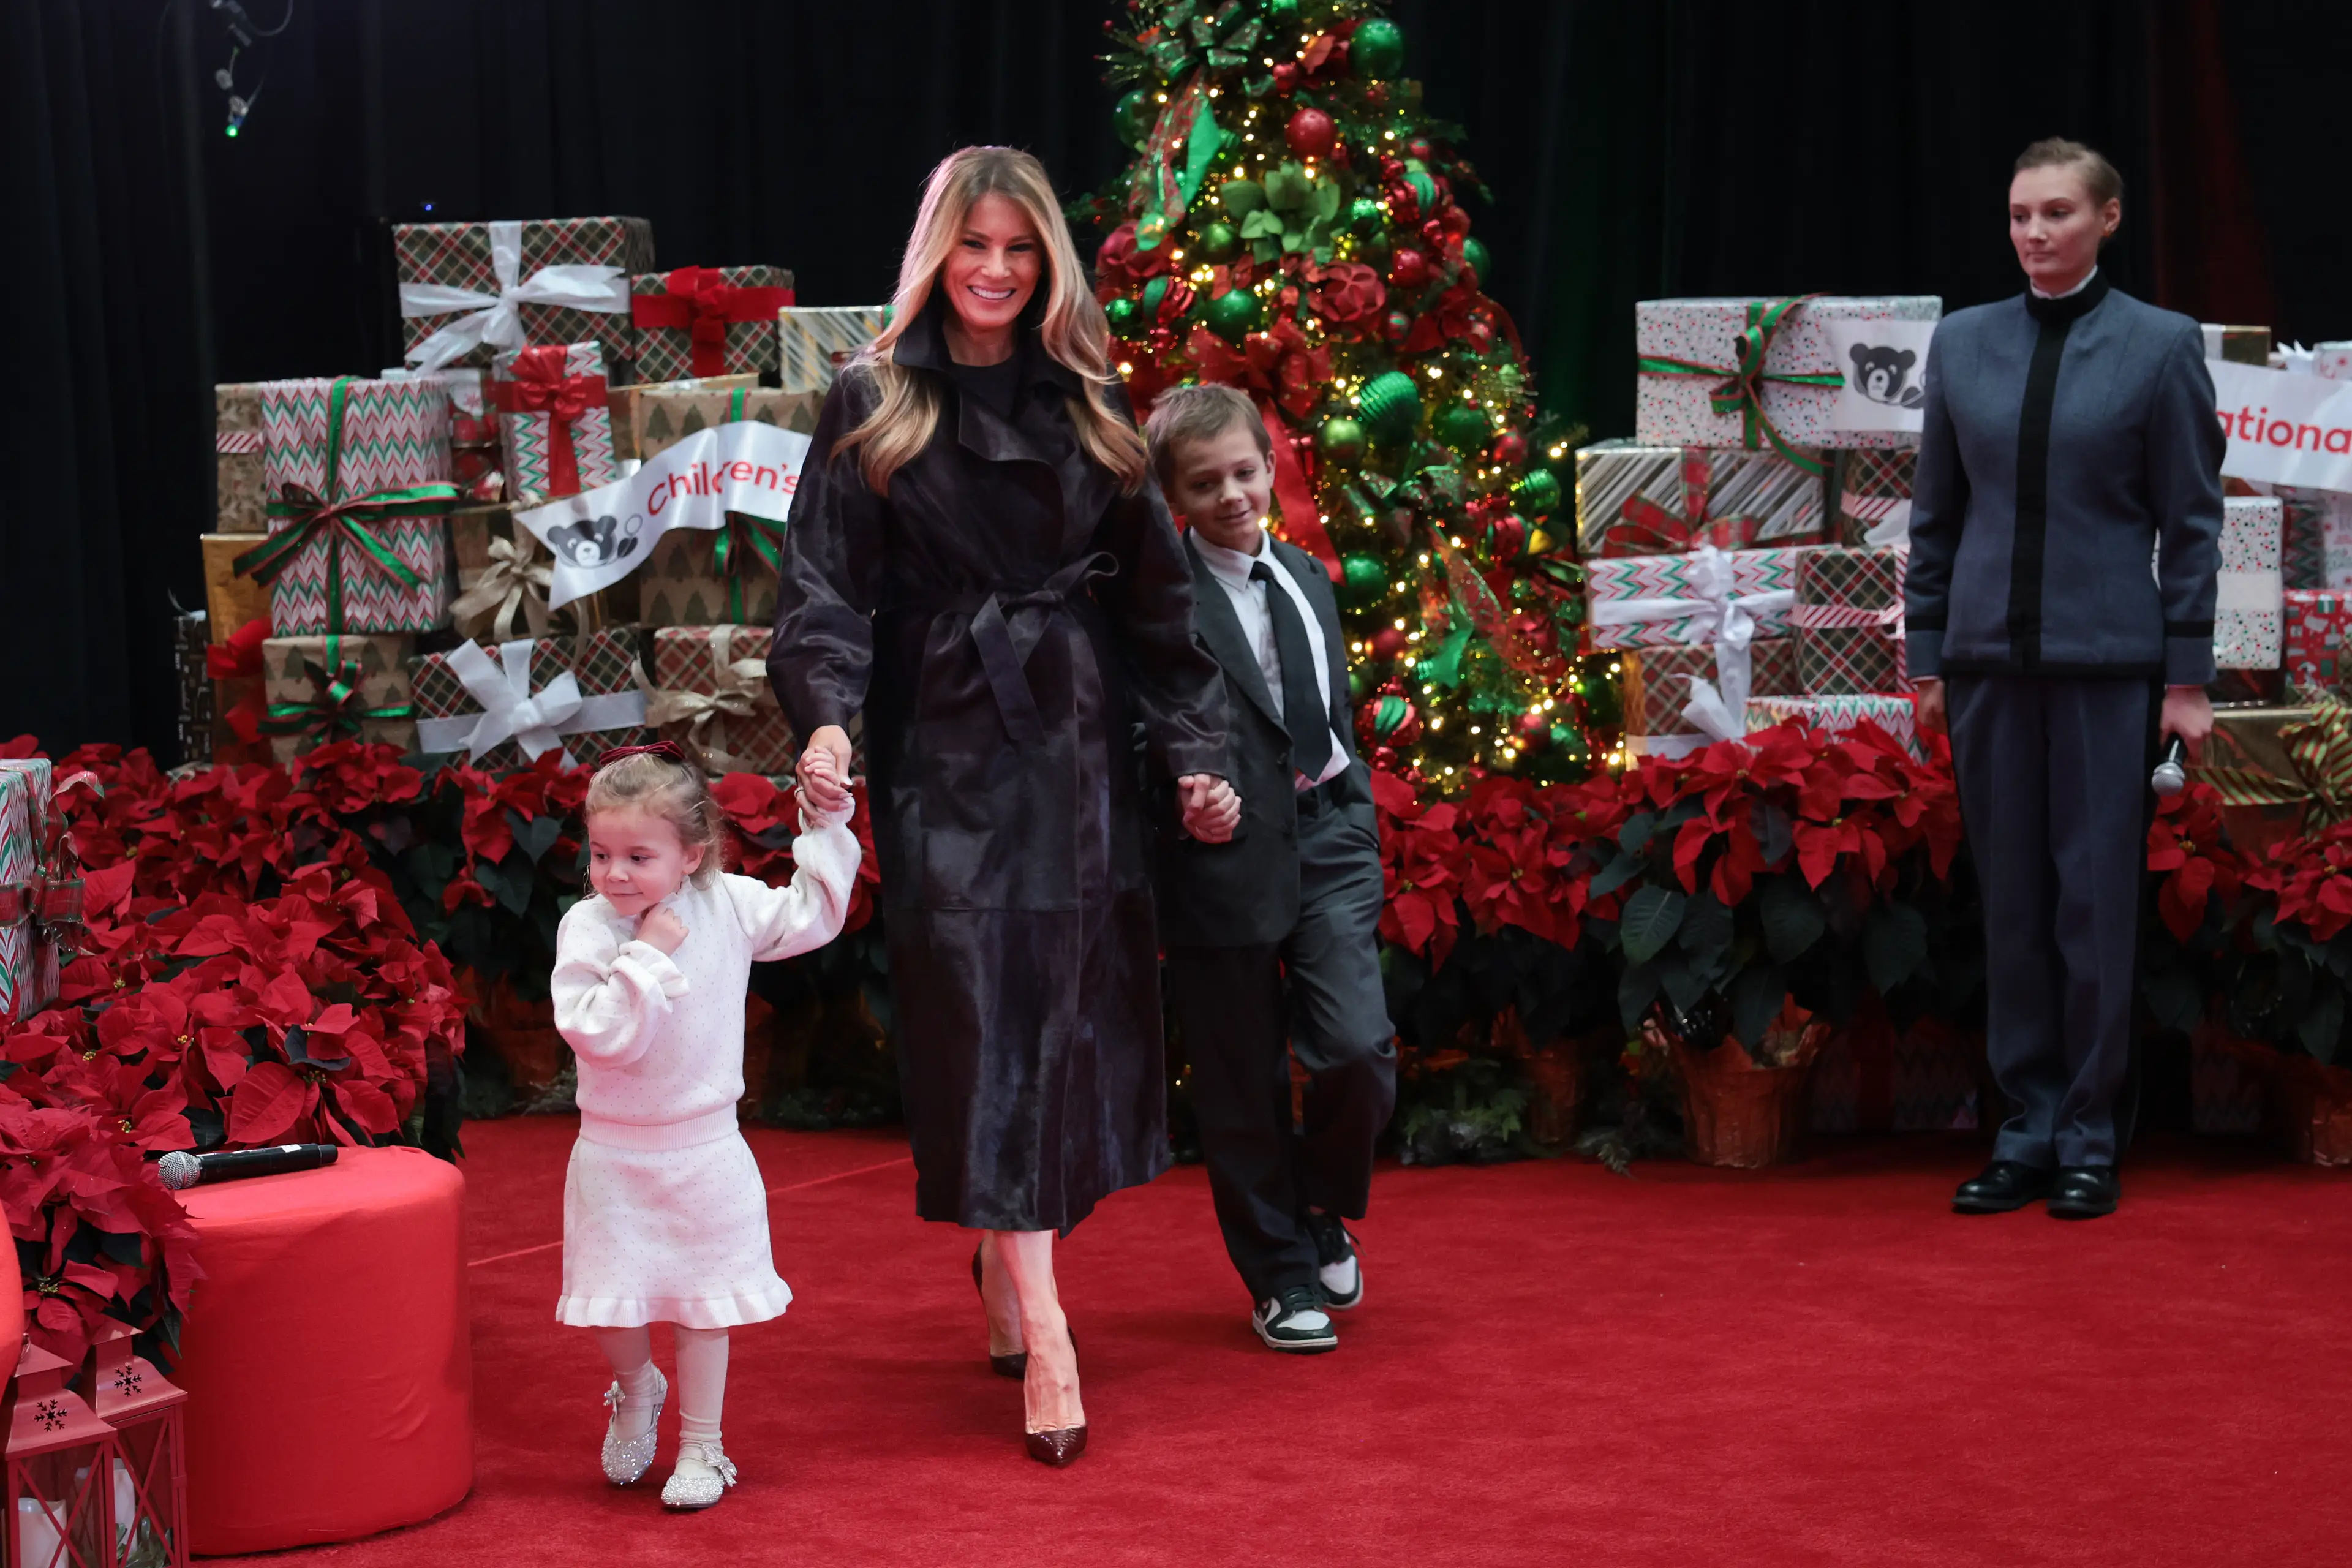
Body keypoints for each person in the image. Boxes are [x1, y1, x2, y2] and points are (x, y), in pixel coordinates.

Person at [768, 145, 1237, 1466]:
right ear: (937, 251)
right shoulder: (872, 398)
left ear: (1048, 263)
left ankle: (1010, 1256)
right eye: (973, 243)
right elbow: (820, 588)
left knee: (1060, 1016)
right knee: (981, 1011)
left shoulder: (1095, 401)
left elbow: (1160, 606)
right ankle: (1051, 1324)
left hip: (1076, 751)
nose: (994, 267)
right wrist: (825, 723)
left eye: (1019, 247)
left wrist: (1195, 750)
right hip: (943, 748)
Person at [1907, 138, 2222, 1220]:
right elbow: (1935, 519)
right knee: (2014, 909)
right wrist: (1926, 657)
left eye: (2056, 214)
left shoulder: (2162, 347)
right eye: (2019, 217)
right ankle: (2026, 1128)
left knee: (2093, 906)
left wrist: (2187, 679)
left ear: (2108, 219)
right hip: (1989, 668)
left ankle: (2090, 1135)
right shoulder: (1963, 344)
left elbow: (2191, 526)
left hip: (2106, 670)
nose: (2035, 235)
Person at [1141, 385, 1396, 1352]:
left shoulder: (1304, 577)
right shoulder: (1161, 597)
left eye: (1245, 472)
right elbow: (1139, 715)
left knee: (1358, 1050)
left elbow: (1326, 707)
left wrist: (1356, 808)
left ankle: (1323, 1206)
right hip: (1219, 855)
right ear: (1173, 494)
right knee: (1242, 1080)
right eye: (1204, 483)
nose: (1232, 495)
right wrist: (1185, 789)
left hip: (1326, 835)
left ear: (1271, 464)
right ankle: (1281, 1275)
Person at [549, 742, 859, 1509]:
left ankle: (704, 1445)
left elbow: (813, 914)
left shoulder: (729, 904)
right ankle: (635, 1385)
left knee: (701, 1306)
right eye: (601, 853)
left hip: (706, 1150)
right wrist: (644, 957)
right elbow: (601, 1036)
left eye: (638, 856)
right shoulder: (589, 929)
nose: (615, 873)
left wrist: (825, 819)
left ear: (691, 855)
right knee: (612, 1304)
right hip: (614, 1154)